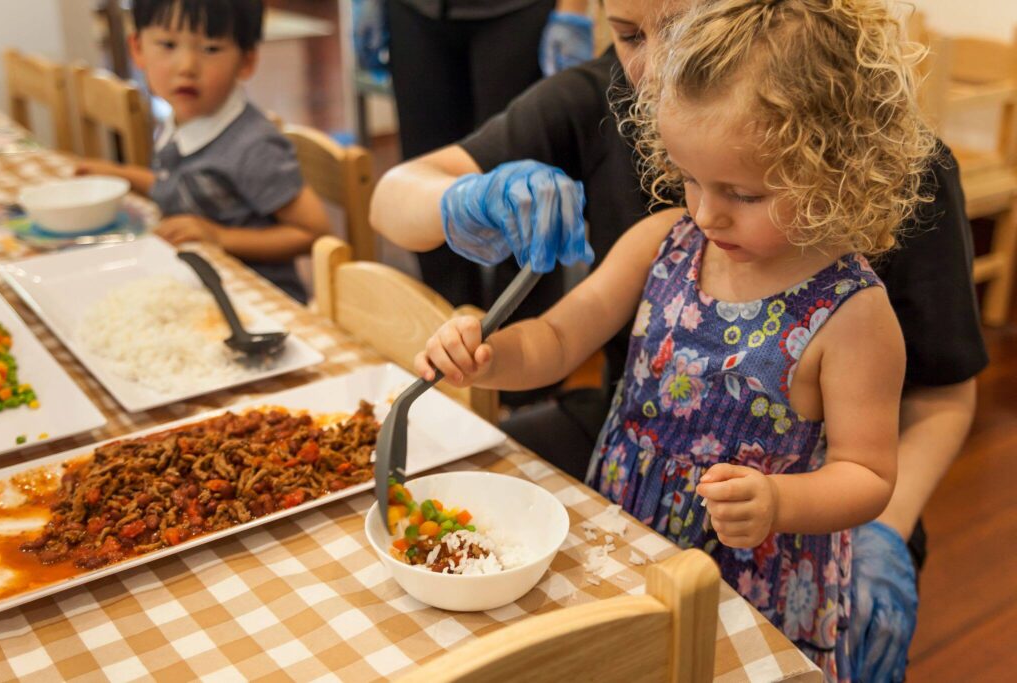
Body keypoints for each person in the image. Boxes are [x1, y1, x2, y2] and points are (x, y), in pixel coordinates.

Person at [371, 0, 986, 678]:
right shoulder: (665, 240)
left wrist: (780, 502)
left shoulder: (852, 315)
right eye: (689, 177)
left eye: (742, 193)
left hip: (758, 578)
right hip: (633, 529)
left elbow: (868, 472)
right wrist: (483, 353)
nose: (704, 210)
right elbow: (552, 339)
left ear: (831, 173)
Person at [353, 0, 595, 328]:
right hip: (414, 12)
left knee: (525, 194)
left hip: (518, 13)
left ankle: (528, 360)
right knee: (428, 189)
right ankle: (447, 347)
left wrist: (573, 10)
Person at [77, 0, 330, 304]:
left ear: (246, 61)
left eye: (210, 48)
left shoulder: (252, 146)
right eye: (168, 44)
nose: (186, 67)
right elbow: (179, 187)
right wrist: (121, 176)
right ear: (138, 48)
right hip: (194, 286)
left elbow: (313, 232)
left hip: (257, 304)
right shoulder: (180, 121)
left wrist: (220, 237)